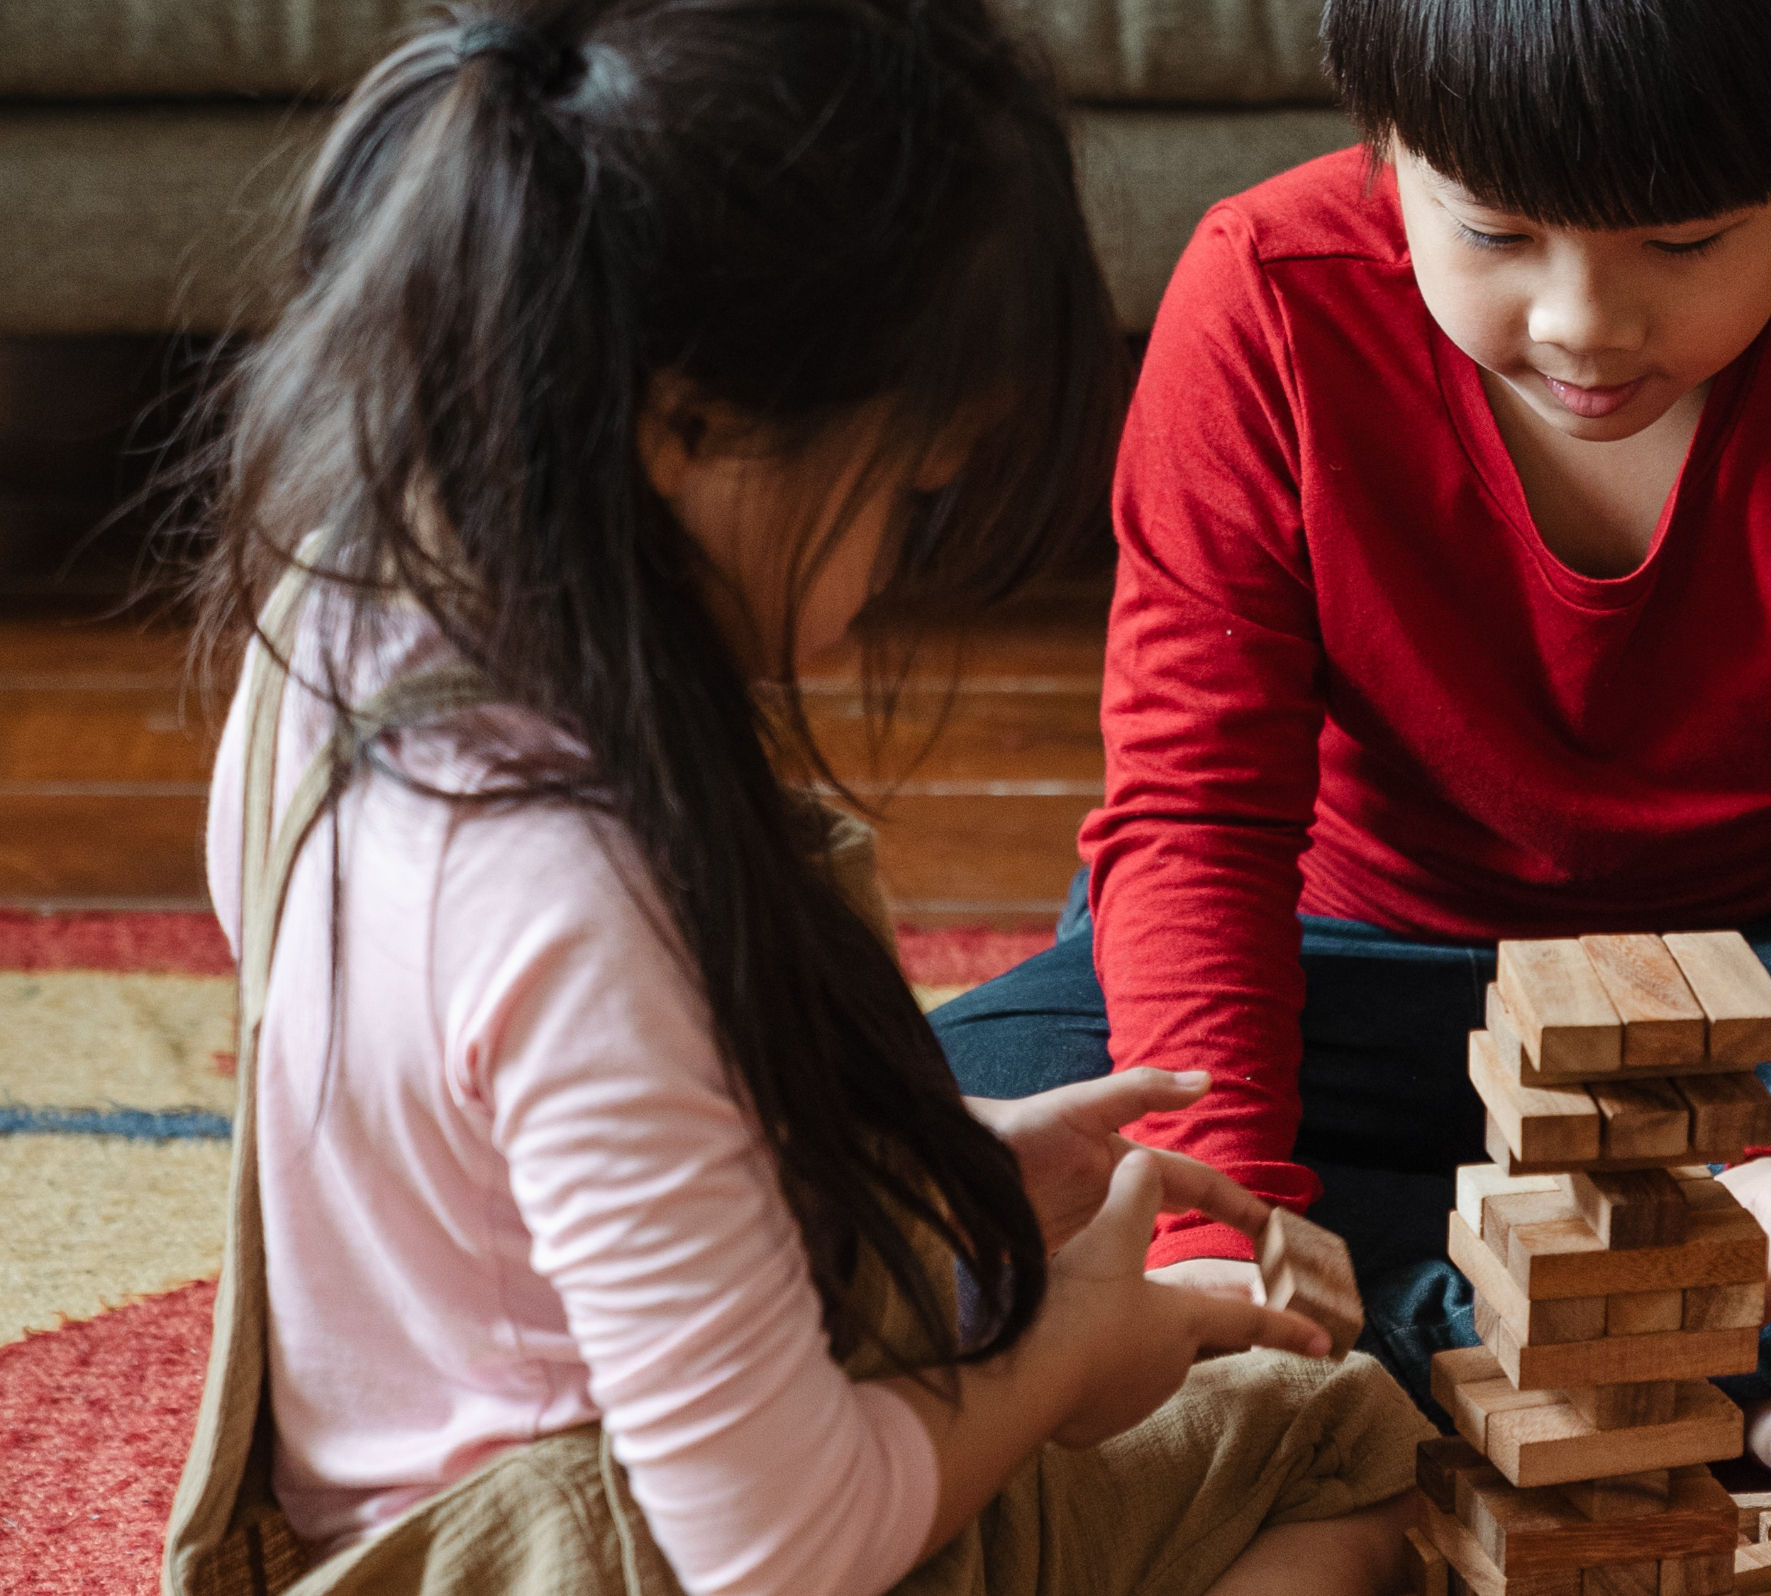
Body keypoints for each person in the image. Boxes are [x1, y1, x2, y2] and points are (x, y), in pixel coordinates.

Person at [167, 4, 1429, 1595]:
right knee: (1338, 1437)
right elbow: (777, 1549)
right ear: (685, 425)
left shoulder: (335, 632)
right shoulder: (583, 900)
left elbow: (502, 1153)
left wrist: (946, 1163)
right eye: (906, 492)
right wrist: (1064, 1359)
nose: (886, 581)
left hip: (389, 1541)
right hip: (616, 1549)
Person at [932, 0, 1771, 1507]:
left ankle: (1401, 1361)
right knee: (938, 1127)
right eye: (1492, 235)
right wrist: (1223, 1227)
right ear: (1385, 152)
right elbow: (1196, 823)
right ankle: (1686, 1377)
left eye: (1682, 246)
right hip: (1349, 964)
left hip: (1740, 996)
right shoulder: (1264, 298)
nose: (1584, 325)